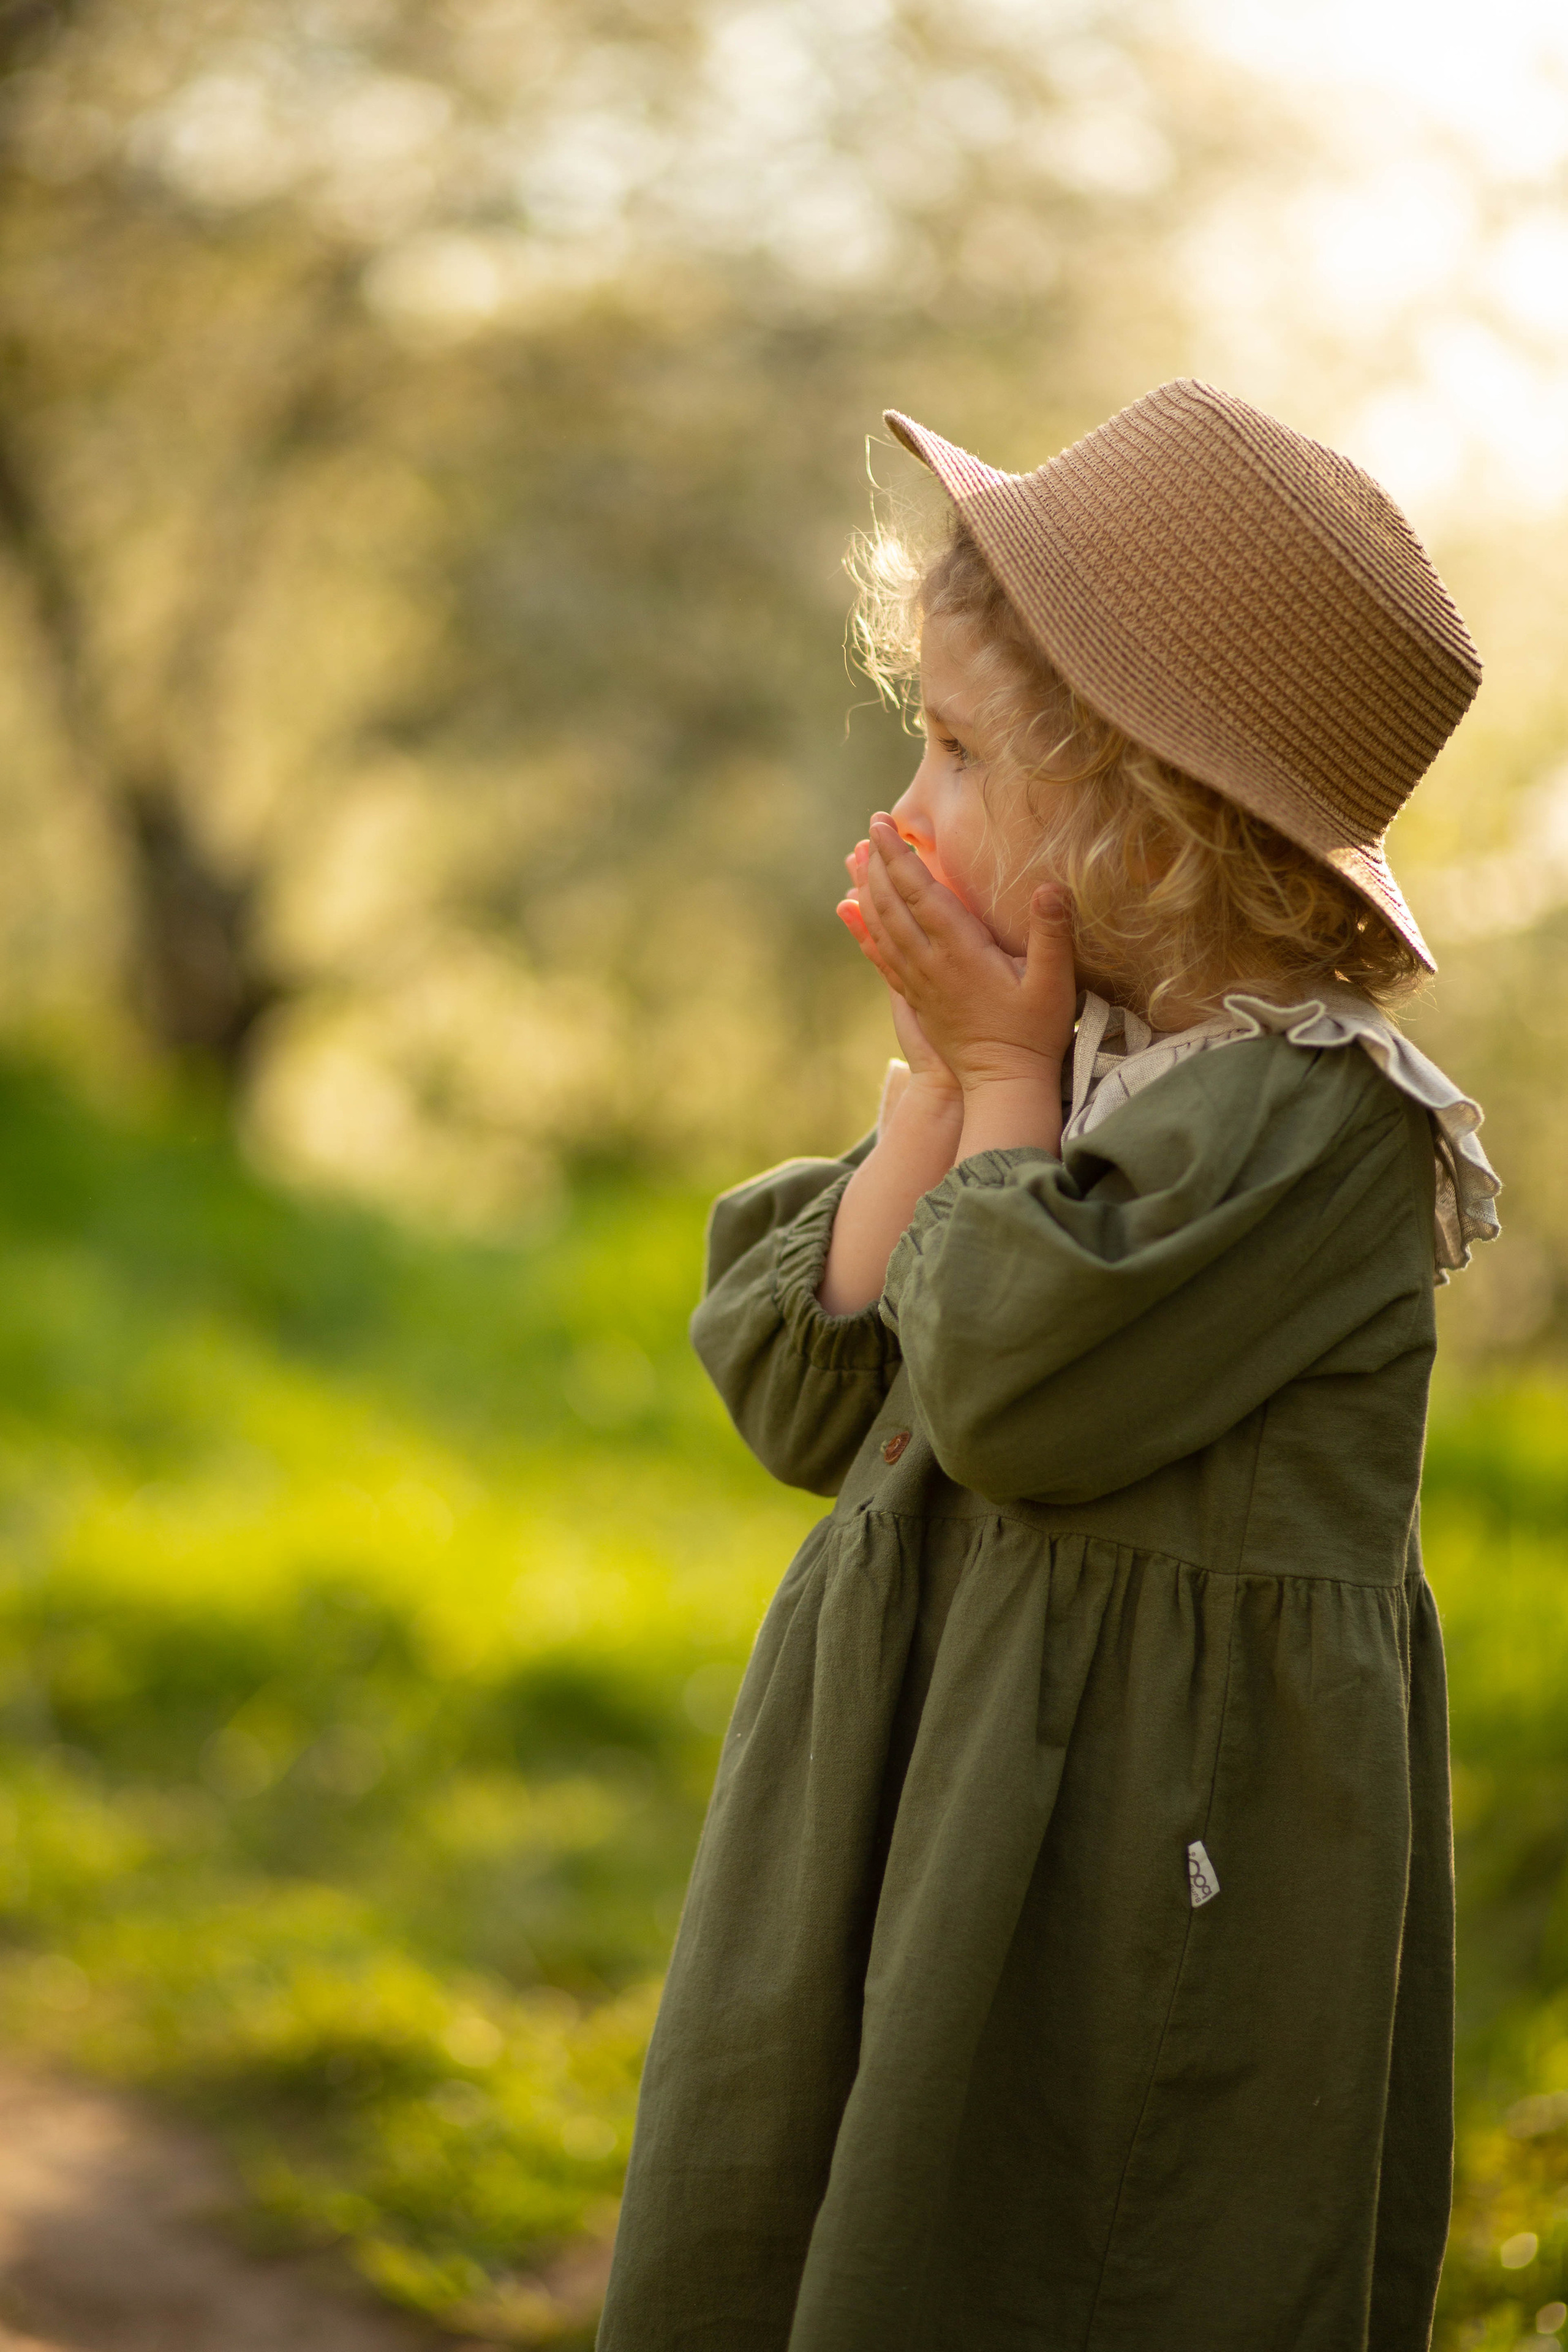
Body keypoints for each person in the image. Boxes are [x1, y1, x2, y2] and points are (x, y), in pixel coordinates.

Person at [596, 380, 1501, 2352]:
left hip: (1138, 1854)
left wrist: (995, 1076)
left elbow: (1014, 1385)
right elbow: (804, 1391)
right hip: (913, 1777)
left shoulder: (1315, 1126)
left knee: (1051, 2229)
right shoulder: (1056, 1055)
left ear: (1155, 823)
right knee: (820, 2190)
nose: (905, 815)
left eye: (954, 752)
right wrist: (943, 1080)